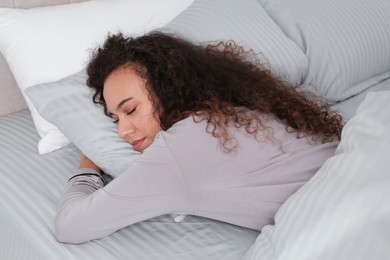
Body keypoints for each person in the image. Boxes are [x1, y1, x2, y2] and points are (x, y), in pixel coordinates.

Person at [54, 32, 343, 244]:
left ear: (168, 88)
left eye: (130, 110)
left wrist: (87, 167)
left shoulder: (178, 152)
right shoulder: (247, 105)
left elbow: (70, 227)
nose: (122, 131)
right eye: (115, 119)